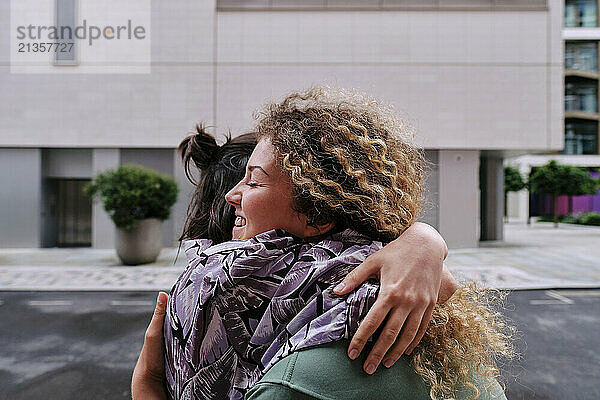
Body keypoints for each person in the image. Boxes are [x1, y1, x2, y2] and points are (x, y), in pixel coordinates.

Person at [133, 87, 513, 400]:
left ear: (315, 217)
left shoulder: (291, 382)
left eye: (253, 179)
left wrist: (149, 387)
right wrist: (425, 240)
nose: (233, 196)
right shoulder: (415, 299)